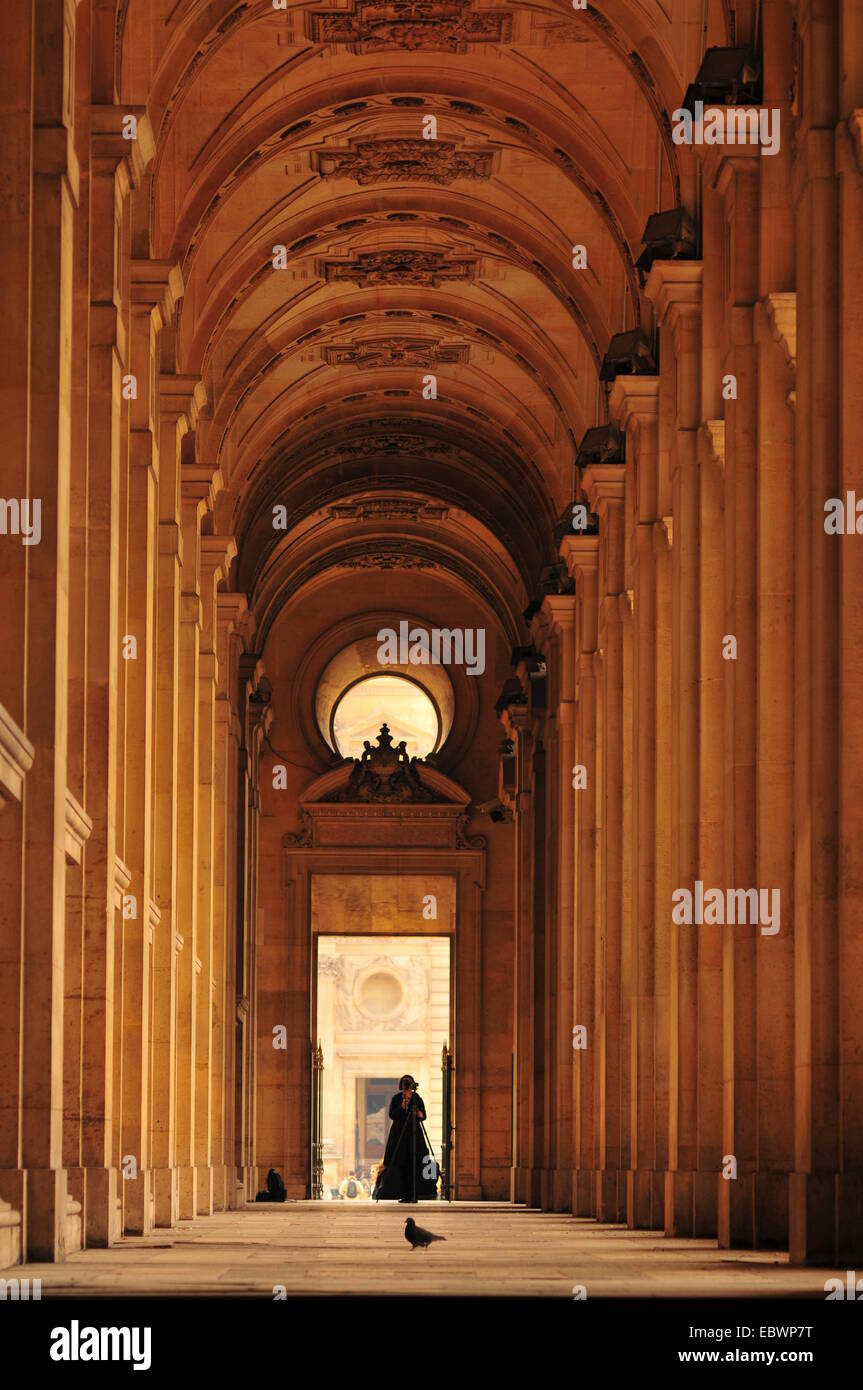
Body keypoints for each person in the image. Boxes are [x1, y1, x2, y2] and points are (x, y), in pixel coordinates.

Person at [375, 1075, 438, 1202]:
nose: (407, 1087)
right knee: (400, 1164)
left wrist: (418, 1113)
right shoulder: (396, 1098)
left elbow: (423, 1115)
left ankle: (415, 1193)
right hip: (400, 1134)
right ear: (401, 1086)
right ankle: (403, 1193)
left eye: (409, 1084)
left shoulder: (416, 1098)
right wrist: (403, 1105)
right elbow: (392, 1115)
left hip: (414, 1134)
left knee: (415, 1164)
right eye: (405, 1084)